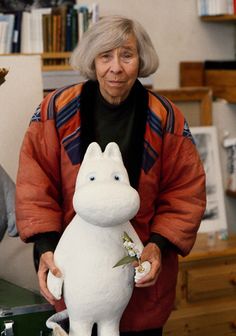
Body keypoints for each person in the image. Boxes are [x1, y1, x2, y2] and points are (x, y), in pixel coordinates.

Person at [15, 15, 206, 336]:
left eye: (126, 55)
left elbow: (185, 191)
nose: (116, 67)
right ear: (92, 59)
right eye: (105, 56)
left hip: (144, 276)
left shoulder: (167, 118)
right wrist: (46, 247)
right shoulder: (56, 110)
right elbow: (35, 182)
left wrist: (158, 245)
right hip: (77, 280)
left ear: (141, 59)